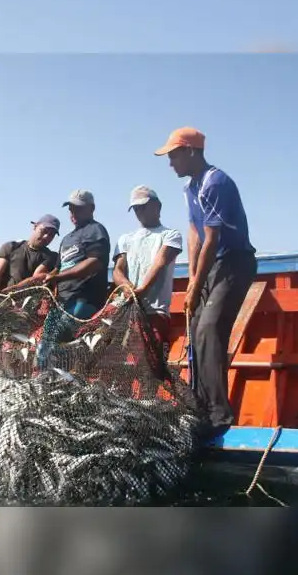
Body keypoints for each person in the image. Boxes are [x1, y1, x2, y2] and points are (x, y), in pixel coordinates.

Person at [154, 126, 257, 440]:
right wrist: (193, 278)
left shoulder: (216, 183)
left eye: (173, 155)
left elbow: (213, 238)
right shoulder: (189, 188)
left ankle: (218, 415)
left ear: (190, 151)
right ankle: (198, 405)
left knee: (210, 328)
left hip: (235, 262)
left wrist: (197, 285)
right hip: (211, 266)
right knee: (196, 328)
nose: (170, 163)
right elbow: (195, 233)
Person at [35, 190, 111, 369]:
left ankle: (63, 382)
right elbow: (58, 268)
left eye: (78, 208)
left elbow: (95, 263)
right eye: (70, 209)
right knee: (44, 346)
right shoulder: (67, 238)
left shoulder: (96, 230)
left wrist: (59, 277)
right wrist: (51, 276)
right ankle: (46, 384)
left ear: (91, 208)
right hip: (62, 302)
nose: (73, 213)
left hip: (84, 300)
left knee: (59, 343)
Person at [111, 185, 183, 361]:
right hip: (127, 310)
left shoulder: (170, 235)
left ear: (157, 206)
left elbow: (160, 262)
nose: (139, 211)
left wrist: (142, 289)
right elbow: (118, 269)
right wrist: (126, 286)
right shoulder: (124, 239)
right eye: (135, 208)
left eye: (143, 206)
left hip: (155, 312)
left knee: (151, 363)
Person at [0, 215, 60, 293]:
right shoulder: (11, 246)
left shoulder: (52, 257)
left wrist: (13, 289)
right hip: (3, 298)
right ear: (35, 226)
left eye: (51, 235)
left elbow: (35, 280)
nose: (46, 237)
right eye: (44, 231)